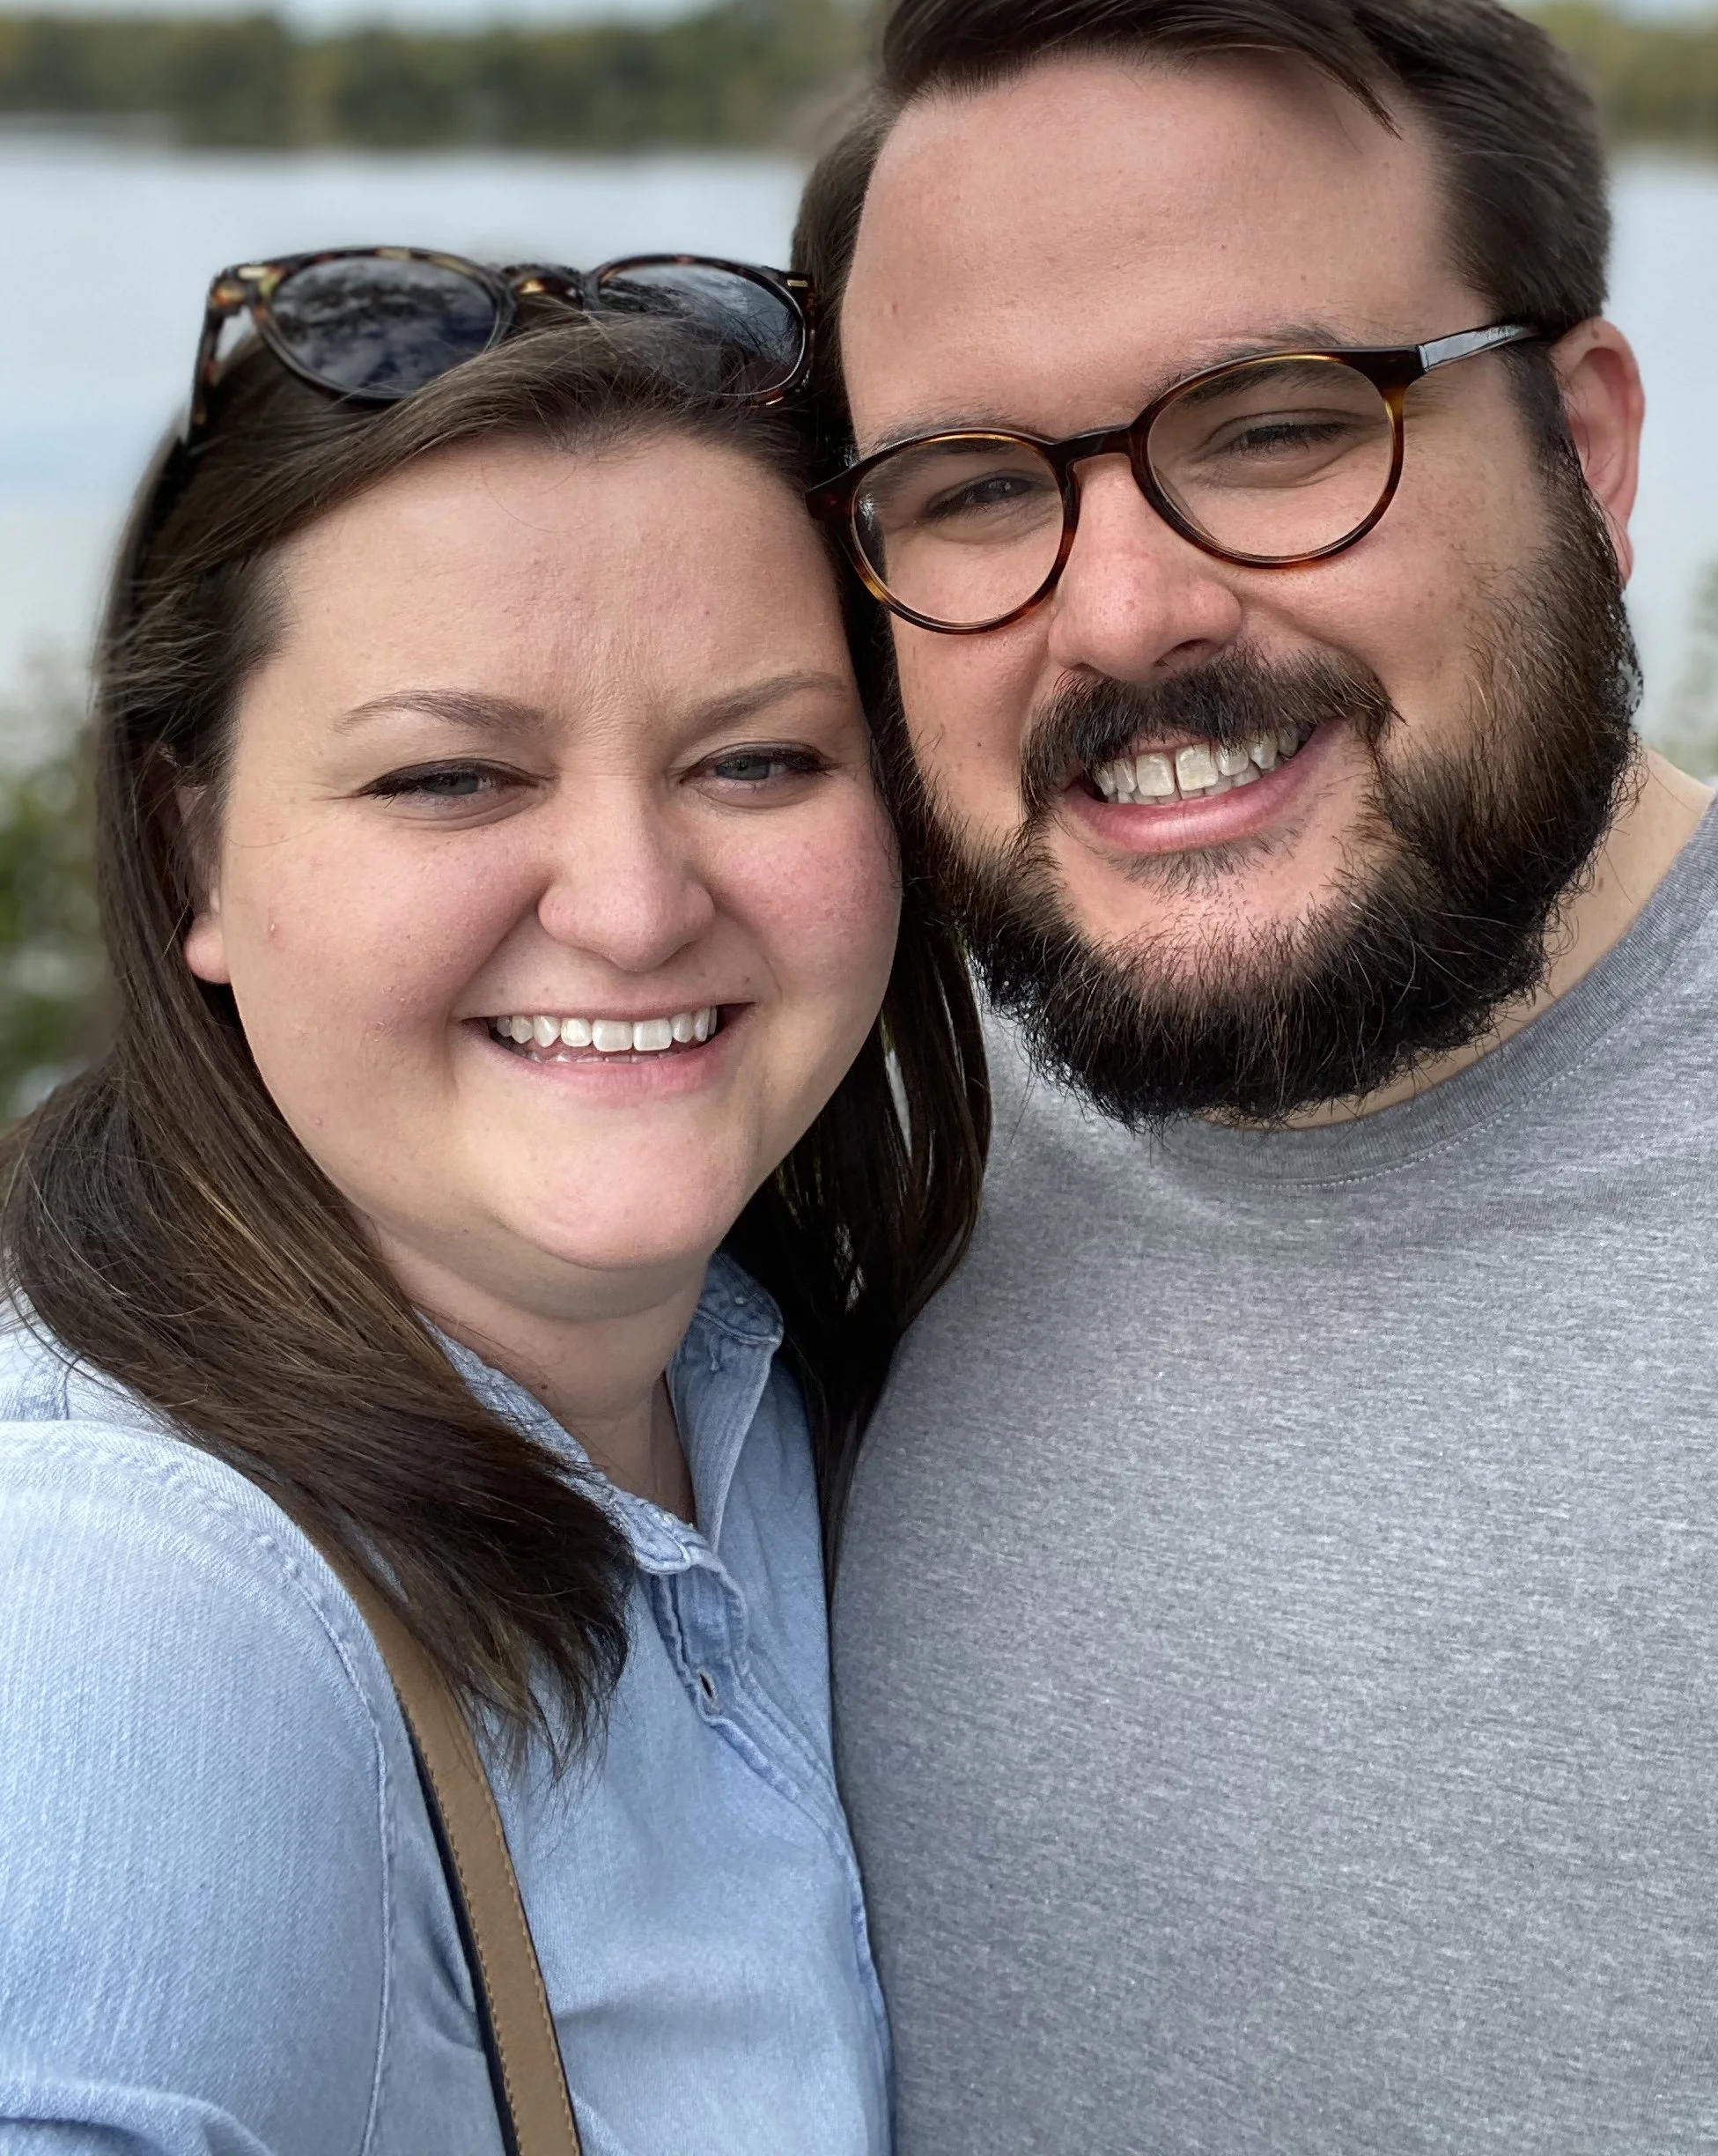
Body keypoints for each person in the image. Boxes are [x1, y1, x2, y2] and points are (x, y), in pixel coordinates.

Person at [793, 0, 1718, 2152]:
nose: (1126, 613)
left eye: (1274, 425)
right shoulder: (810, 1164)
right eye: (971, 492)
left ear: (1588, 447)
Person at [0, 255, 982, 2152]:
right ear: (185, 841)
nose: (629, 902)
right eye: (452, 775)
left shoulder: (803, 1374)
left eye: (758, 756)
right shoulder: (131, 1605)